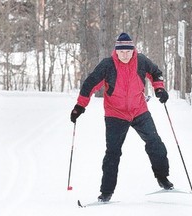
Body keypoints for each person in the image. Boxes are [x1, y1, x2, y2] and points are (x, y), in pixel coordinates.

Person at [70, 32, 173, 202]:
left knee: (155, 143)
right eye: (121, 51)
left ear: (133, 50)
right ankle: (106, 193)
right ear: (116, 51)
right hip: (115, 114)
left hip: (139, 110)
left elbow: (156, 73)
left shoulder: (141, 61)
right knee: (113, 152)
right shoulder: (107, 65)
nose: (125, 55)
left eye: (128, 51)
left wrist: (159, 89)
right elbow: (89, 84)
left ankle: (163, 178)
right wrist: (80, 106)